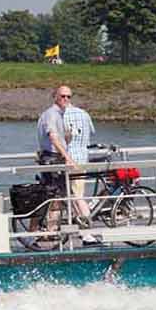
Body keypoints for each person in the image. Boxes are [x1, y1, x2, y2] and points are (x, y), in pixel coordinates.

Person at [34, 86, 96, 225]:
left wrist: (66, 139)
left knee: (62, 196)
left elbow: (57, 138)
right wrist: (67, 158)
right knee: (61, 196)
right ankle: (84, 229)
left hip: (59, 159)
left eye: (68, 96)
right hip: (55, 159)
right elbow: (53, 138)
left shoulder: (58, 114)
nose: (66, 99)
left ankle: (48, 231)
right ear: (55, 96)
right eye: (62, 96)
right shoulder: (52, 114)